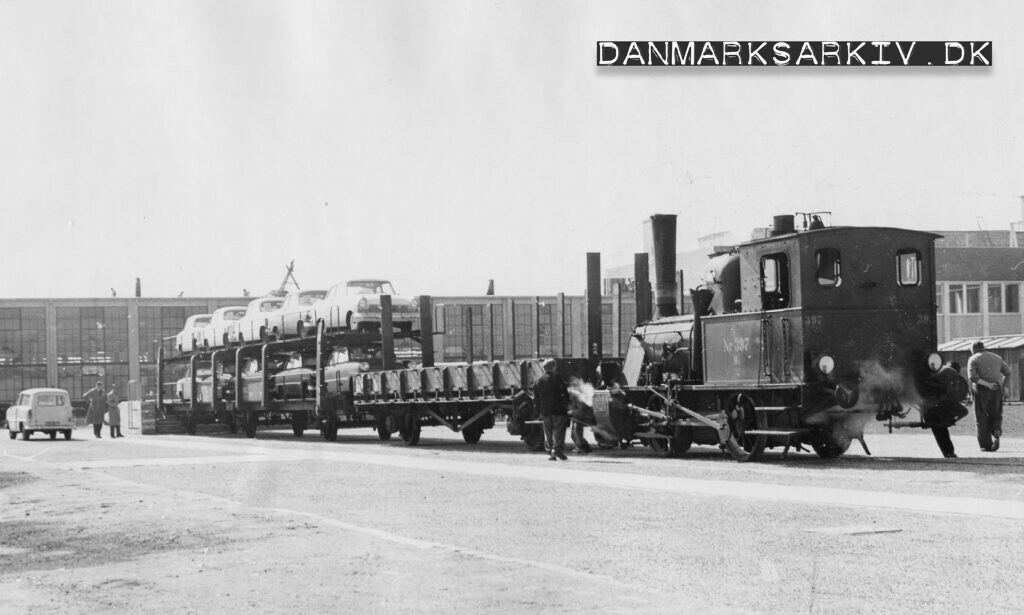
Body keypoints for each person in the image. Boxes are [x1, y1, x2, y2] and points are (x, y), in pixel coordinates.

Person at [967, 341, 1011, 452]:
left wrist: (987, 384)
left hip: (980, 391)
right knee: (996, 414)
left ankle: (985, 445)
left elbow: (972, 377)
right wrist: (1004, 386)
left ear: (973, 349)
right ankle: (996, 435)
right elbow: (1008, 373)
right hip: (997, 390)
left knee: (981, 417)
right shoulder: (997, 357)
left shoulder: (973, 358)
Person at [923, 361, 967, 459]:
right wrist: (952, 420)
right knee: (941, 429)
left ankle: (949, 452)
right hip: (937, 408)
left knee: (939, 429)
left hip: (933, 408)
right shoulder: (949, 373)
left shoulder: (943, 371)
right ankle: (949, 452)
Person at [533, 358, 570, 461]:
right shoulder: (557, 378)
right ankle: (557, 449)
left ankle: (551, 453)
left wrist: (537, 413)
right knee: (559, 431)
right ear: (554, 367)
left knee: (548, 432)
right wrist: (567, 405)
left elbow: (536, 399)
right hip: (558, 410)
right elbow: (564, 393)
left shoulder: (538, 381)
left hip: (545, 411)